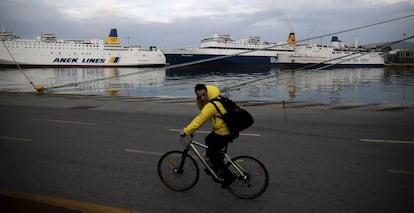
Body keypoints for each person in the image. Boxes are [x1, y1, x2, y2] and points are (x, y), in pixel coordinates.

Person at [181, 84, 235, 188]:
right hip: (223, 130)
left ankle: (228, 176)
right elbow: (202, 108)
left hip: (224, 132)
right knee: (208, 139)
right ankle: (216, 166)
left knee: (211, 153)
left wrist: (186, 131)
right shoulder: (216, 98)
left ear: (207, 92)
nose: (202, 98)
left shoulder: (211, 105)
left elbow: (199, 120)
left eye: (203, 95)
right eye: (199, 96)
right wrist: (200, 100)